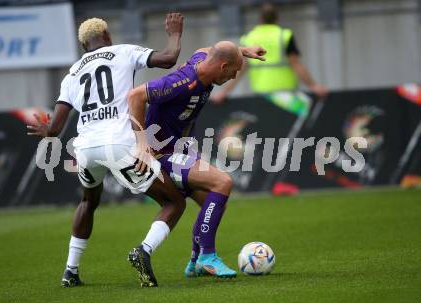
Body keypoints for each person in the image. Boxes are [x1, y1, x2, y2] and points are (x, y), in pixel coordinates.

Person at [27, 15, 186, 288]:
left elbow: (54, 129)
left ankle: (70, 271)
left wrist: (47, 131)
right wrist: (174, 34)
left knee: (89, 201)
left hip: (86, 149)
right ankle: (143, 250)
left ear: (83, 45)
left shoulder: (73, 73)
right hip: (120, 144)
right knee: (174, 202)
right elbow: (169, 58)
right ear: (107, 36)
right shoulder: (124, 51)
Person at [128, 41, 266, 278]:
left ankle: (194, 262)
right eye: (233, 72)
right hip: (162, 154)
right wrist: (142, 145)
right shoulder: (181, 83)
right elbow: (135, 96)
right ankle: (207, 256)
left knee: (212, 201)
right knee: (222, 183)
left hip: (180, 149)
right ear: (223, 66)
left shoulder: (204, 59)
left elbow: (210, 49)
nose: (233, 77)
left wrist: (242, 51)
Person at [211, 3, 327, 106]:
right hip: (286, 96)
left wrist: (223, 93)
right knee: (306, 109)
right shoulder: (284, 35)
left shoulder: (249, 38)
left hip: (261, 97)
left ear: (260, 19)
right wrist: (313, 86)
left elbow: (240, 69)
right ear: (277, 18)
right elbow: (296, 64)